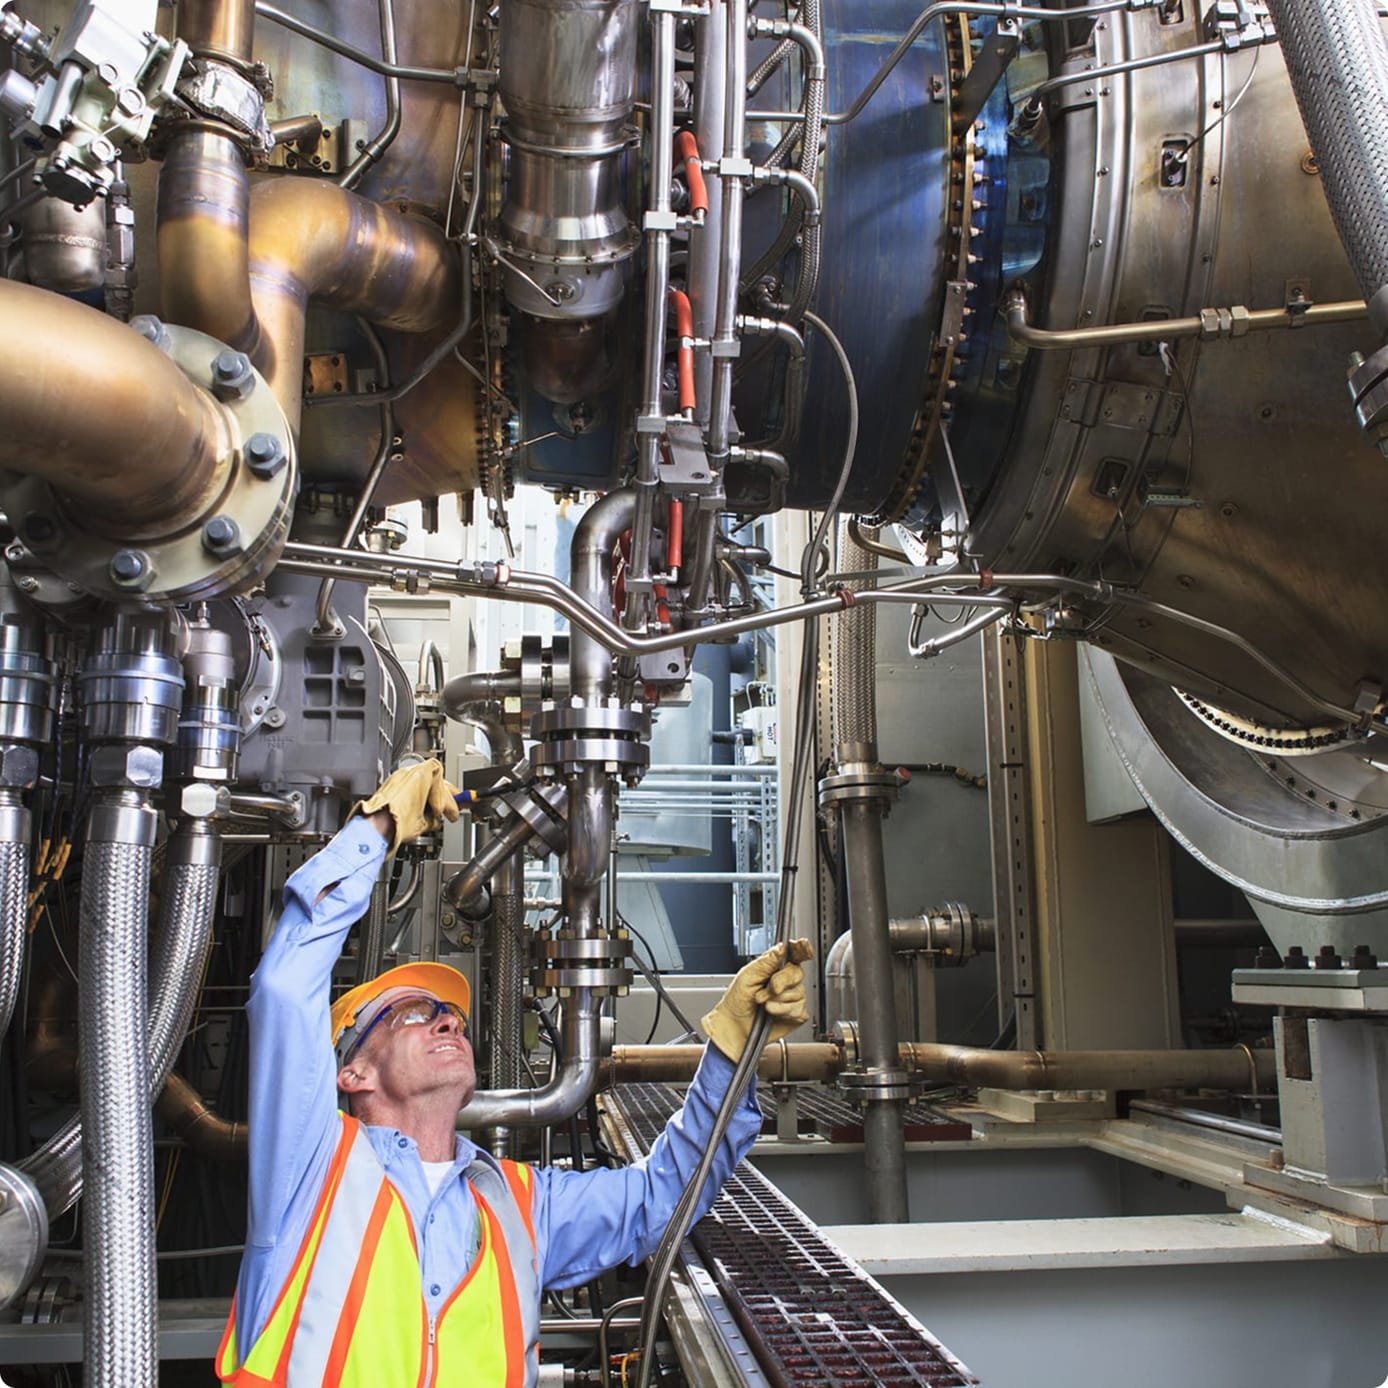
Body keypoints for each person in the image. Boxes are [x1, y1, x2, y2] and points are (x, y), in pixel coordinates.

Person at [216, 759, 813, 1387]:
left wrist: (732, 1049)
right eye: (413, 1016)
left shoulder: (521, 1205)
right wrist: (379, 828)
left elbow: (660, 1200)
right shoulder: (310, 1170)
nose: (449, 1022)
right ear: (353, 1074)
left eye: (451, 1014)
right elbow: (286, 987)